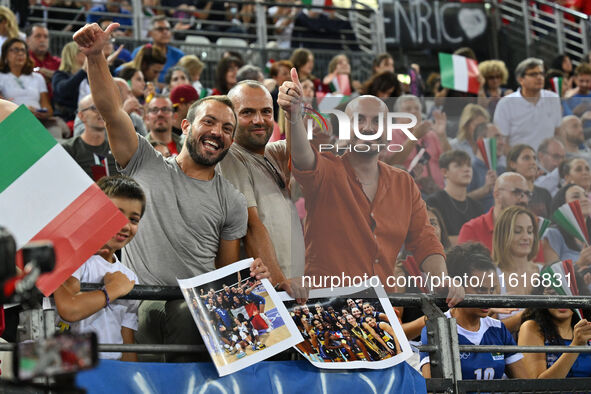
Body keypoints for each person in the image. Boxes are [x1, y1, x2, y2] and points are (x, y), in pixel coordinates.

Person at [74, 22, 273, 362]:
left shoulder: (233, 201)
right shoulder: (145, 163)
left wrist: (251, 274)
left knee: (187, 315)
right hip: (139, 308)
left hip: (194, 321)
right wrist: (96, 58)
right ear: (186, 127)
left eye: (227, 128)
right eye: (208, 122)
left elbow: (222, 278)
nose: (217, 132)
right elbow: (111, 112)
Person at [277, 68, 464, 305]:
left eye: (377, 121)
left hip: (381, 310)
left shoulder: (403, 182)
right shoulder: (326, 170)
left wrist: (442, 279)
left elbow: (424, 239)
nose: (368, 128)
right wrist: (293, 117)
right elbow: (302, 156)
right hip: (326, 309)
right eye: (360, 120)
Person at [219, 80, 305, 279]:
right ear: (230, 118)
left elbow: (301, 157)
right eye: (247, 112)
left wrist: (292, 112)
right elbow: (250, 225)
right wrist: (278, 282)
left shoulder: (273, 153)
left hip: (294, 287)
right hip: (270, 289)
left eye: (266, 111)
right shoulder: (229, 157)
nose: (259, 120)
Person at [53, 175, 144, 361]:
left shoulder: (129, 277)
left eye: (134, 219)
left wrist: (130, 380)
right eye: (116, 215)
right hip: (71, 368)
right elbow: (69, 310)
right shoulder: (72, 258)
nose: (125, 226)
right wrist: (112, 290)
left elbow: (127, 340)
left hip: (112, 374)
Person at [420, 243, 530, 380]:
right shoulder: (436, 330)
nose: (489, 298)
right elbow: (432, 389)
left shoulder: (498, 329)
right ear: (458, 286)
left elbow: (526, 384)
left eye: (492, 290)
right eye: (481, 290)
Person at [0, 37, 69, 138]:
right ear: (5, 54)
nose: (20, 53)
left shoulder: (37, 77)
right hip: (12, 119)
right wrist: (21, 110)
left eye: (23, 50)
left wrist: (43, 112)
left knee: (54, 129)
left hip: (38, 120)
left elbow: (48, 108)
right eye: (15, 50)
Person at [518, 284, 591, 378]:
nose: (562, 300)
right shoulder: (531, 327)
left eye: (566, 292)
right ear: (541, 297)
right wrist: (576, 345)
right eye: (553, 292)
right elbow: (537, 387)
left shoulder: (588, 327)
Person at [494, 57, 562, 151]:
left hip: (548, 161)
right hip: (518, 161)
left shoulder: (553, 99)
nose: (539, 77)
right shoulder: (506, 104)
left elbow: (557, 133)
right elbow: (502, 141)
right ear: (521, 79)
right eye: (533, 74)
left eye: (541, 73)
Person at [492, 206, 541, 332]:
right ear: (503, 235)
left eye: (530, 231)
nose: (526, 237)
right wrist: (529, 313)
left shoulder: (546, 272)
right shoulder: (492, 276)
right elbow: (488, 329)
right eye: (518, 231)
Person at [426, 150, 483, 242]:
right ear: (444, 172)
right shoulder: (434, 202)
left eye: (469, 165)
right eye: (458, 165)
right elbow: (437, 239)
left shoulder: (477, 206)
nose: (466, 169)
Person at [61, 94, 119, 180]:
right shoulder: (69, 149)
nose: (101, 112)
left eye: (103, 108)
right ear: (81, 116)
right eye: (94, 108)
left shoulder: (117, 149)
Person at [542, 184, 591, 273]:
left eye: (586, 196)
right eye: (576, 196)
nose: (585, 199)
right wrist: (579, 264)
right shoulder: (552, 234)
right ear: (562, 206)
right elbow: (551, 277)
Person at [130, 16, 184, 85]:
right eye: (160, 29)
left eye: (167, 29)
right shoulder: (140, 52)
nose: (165, 32)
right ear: (150, 33)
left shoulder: (179, 55)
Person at [466, 122, 506, 211]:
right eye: (496, 137)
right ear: (481, 140)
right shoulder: (469, 169)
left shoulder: (502, 170)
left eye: (502, 138)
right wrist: (484, 190)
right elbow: (459, 201)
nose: (502, 142)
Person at [507, 144, 552, 218]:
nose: (533, 162)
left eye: (534, 158)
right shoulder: (507, 193)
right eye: (526, 158)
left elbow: (552, 224)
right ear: (513, 164)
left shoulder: (544, 194)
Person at [52, 41, 87, 122]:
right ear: (73, 55)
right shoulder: (59, 75)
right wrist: (83, 70)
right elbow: (64, 90)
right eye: (83, 51)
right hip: (67, 119)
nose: (87, 54)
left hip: (88, 118)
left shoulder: (87, 77)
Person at [26, 24, 60, 93]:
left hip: (55, 102)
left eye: (46, 37)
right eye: (38, 36)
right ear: (27, 40)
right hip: (24, 102)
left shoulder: (58, 62)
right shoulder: (21, 61)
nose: (42, 40)